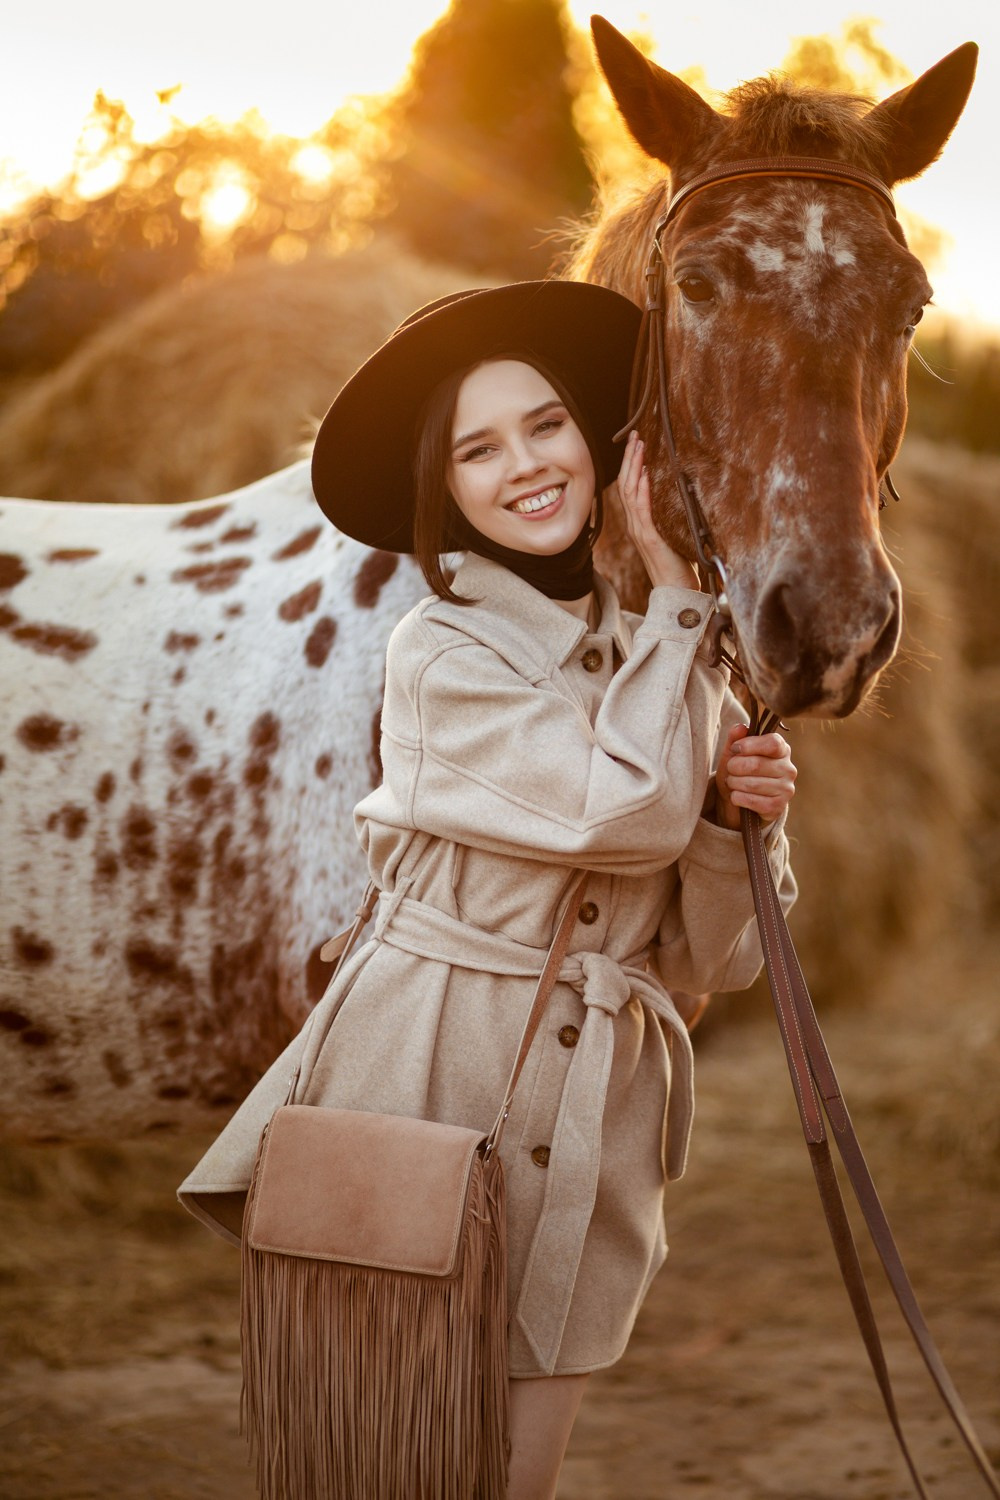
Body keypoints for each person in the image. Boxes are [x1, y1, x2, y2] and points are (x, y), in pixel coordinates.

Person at [179, 280, 797, 1500]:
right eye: (479, 448)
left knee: (520, 1481)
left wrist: (739, 826)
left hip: (590, 1122)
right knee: (380, 1469)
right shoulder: (442, 652)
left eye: (546, 424)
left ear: (602, 448)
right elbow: (619, 816)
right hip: (420, 1087)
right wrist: (679, 599)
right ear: (446, 487)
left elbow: (713, 962)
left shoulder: (667, 658)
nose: (525, 465)